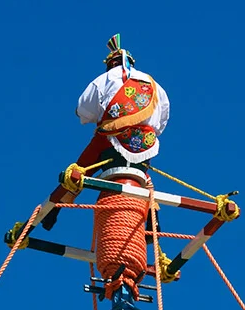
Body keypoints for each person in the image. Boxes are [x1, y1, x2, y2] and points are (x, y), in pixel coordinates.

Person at [42, 34, 170, 231]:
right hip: (146, 143)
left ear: (111, 63)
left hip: (111, 139)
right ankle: (153, 221)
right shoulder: (154, 84)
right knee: (144, 178)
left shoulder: (105, 78)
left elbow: (84, 111)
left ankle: (56, 207)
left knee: (82, 168)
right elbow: (161, 122)